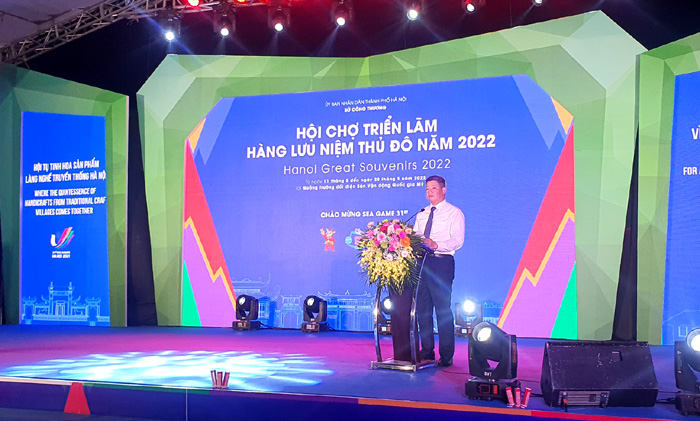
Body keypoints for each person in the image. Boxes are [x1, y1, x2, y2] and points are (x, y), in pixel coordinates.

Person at [414, 175, 465, 367]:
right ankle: (426, 351)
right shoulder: (421, 214)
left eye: (434, 188)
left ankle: (446, 354)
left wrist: (436, 245)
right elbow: (416, 238)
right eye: (427, 189)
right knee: (423, 309)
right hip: (421, 263)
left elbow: (458, 240)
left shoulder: (454, 213)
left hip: (441, 263)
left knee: (442, 310)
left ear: (444, 190)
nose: (429, 192)